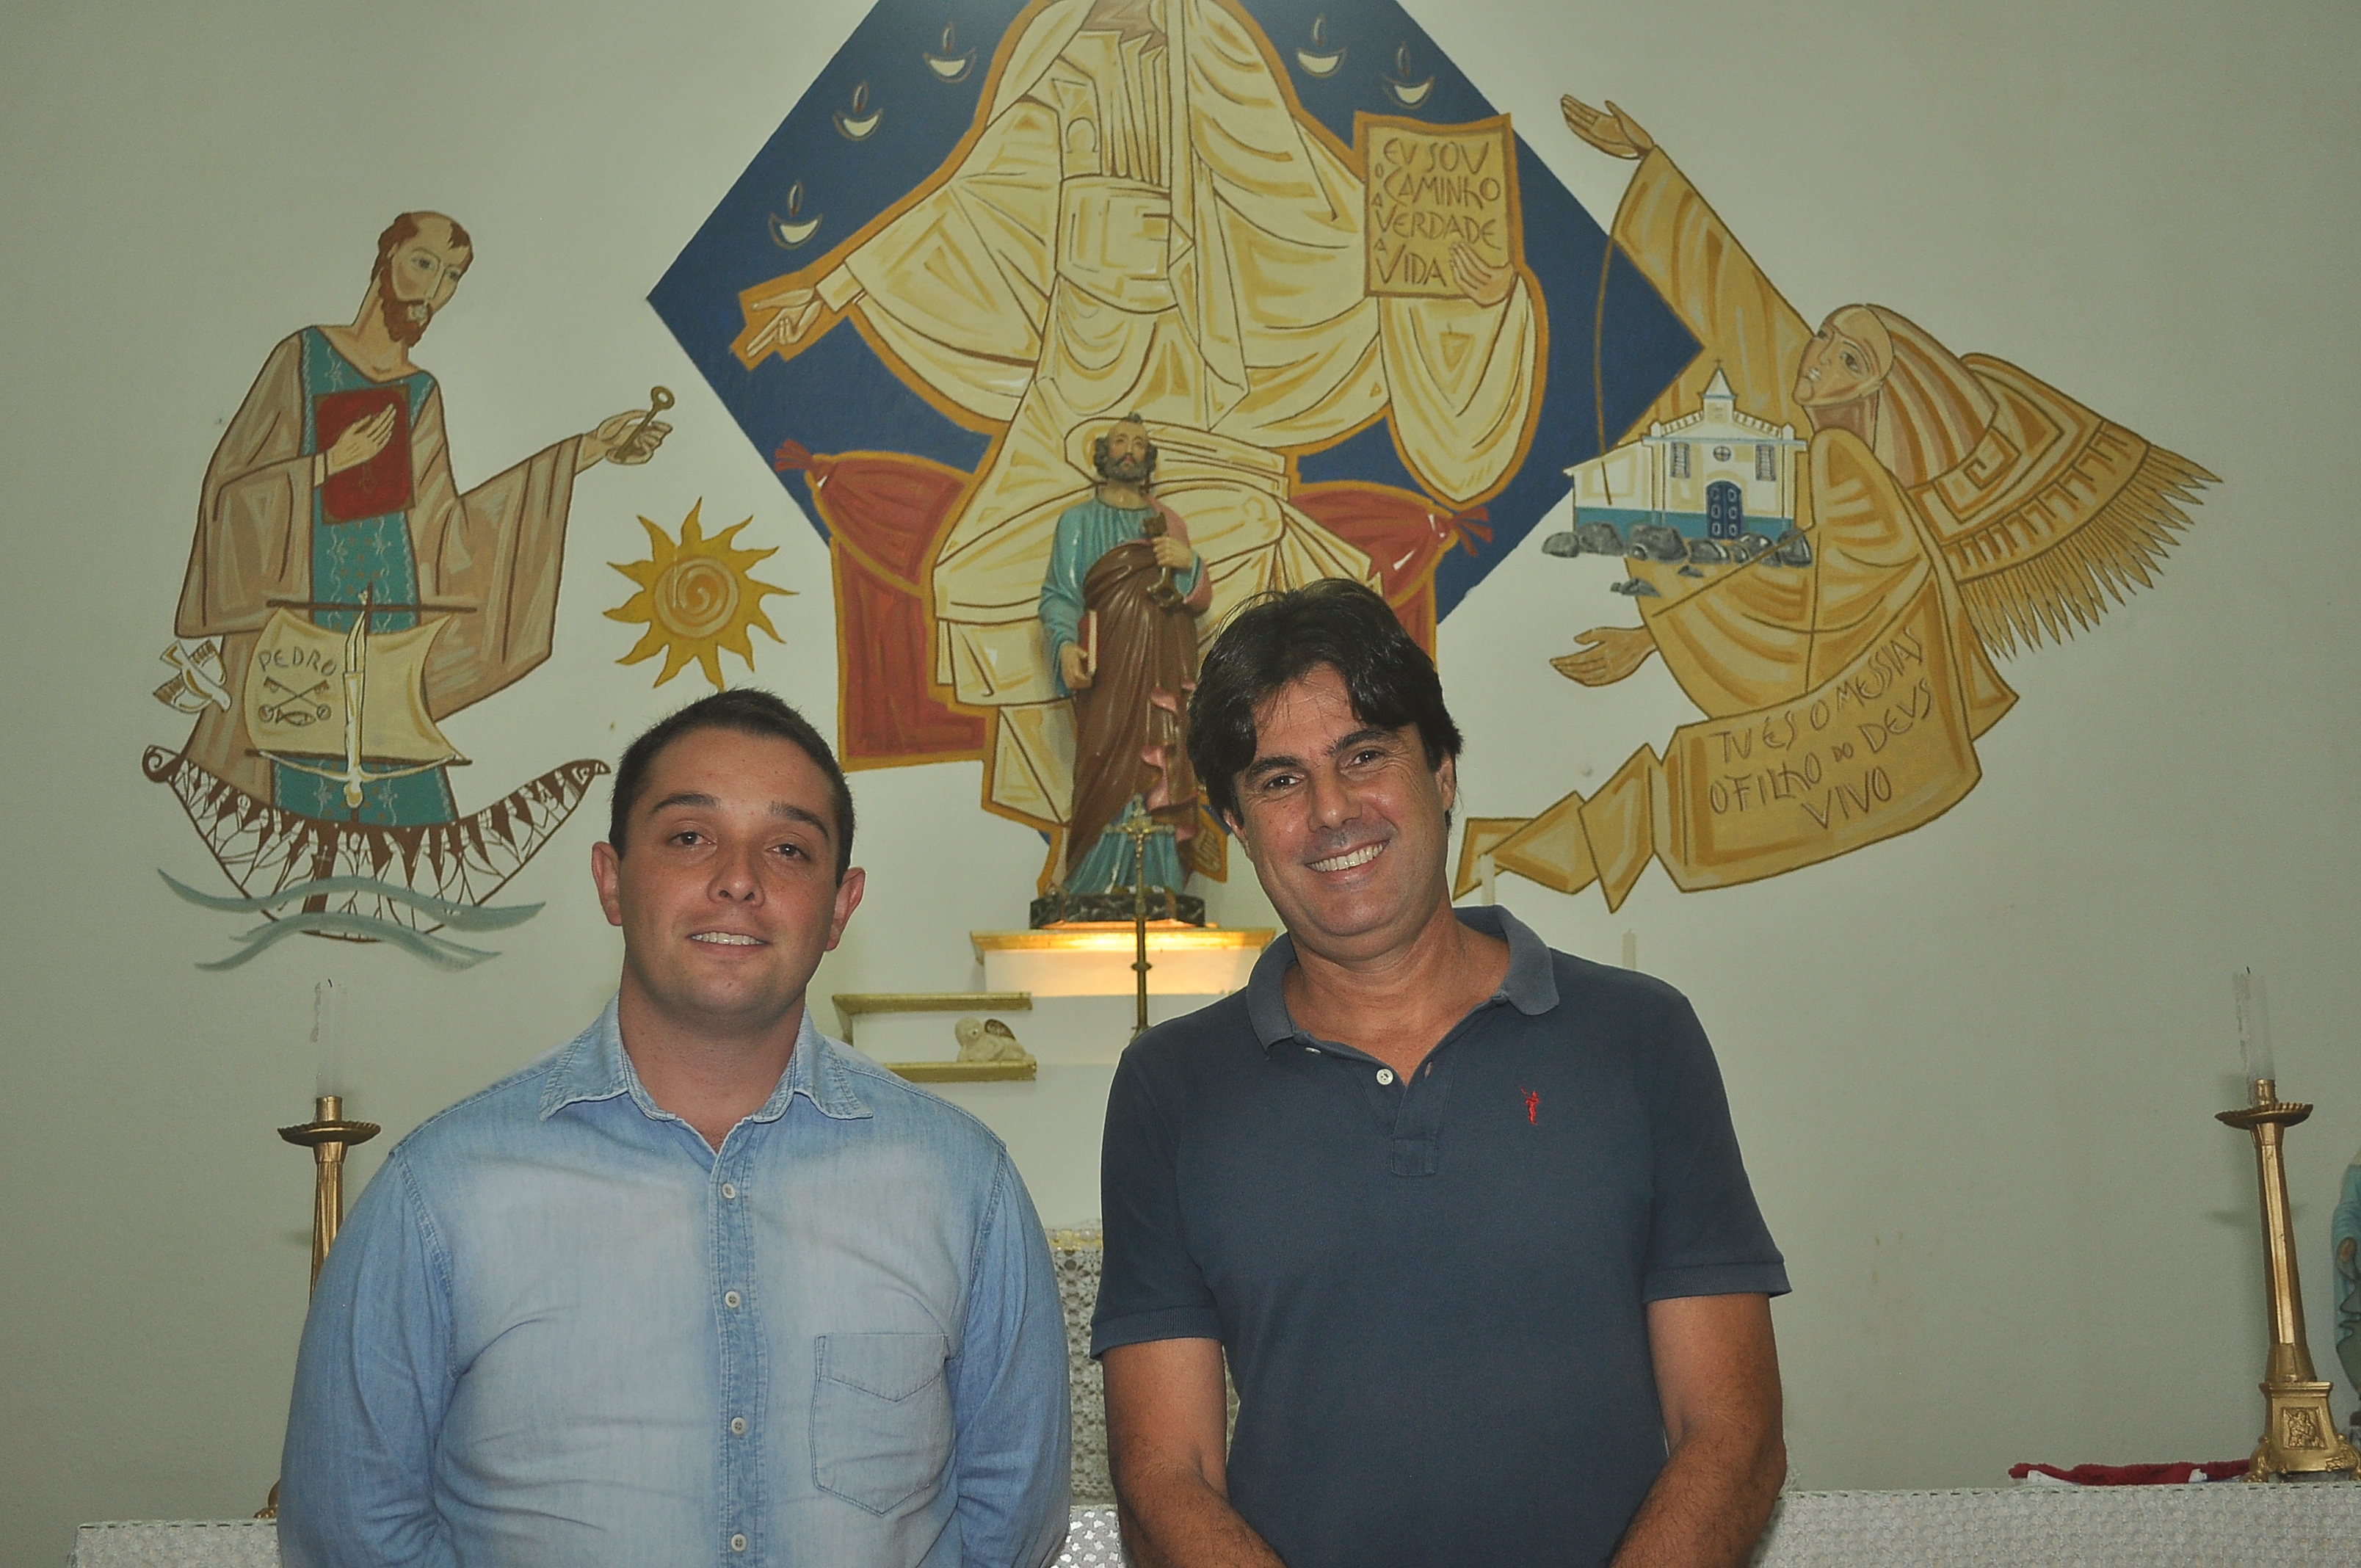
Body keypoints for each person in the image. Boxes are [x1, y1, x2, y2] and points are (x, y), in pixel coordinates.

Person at [278, 689, 1072, 1567]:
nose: (739, 879)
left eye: (788, 848)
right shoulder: (443, 1191)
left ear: (841, 907)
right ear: (611, 880)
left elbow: (1010, 1519)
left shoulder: (960, 1185)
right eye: (690, 837)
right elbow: (353, 1530)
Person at [1092, 579, 1790, 1568]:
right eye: (1280, 781)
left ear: (1444, 770)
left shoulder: (1640, 1039)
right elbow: (1166, 1475)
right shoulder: (1170, 1088)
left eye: (1364, 755)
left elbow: (1734, 1435)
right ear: (1237, 829)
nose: (1332, 811)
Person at [733, 0, 1538, 855]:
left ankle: (1183, 827)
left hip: (1200, 391)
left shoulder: (1216, 53)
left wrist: (1473, 300)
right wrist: (833, 286)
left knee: (1223, 581)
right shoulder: (1057, 55)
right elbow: (970, 201)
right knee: (977, 575)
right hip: (1075, 373)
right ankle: (1089, 848)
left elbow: (1312, 210)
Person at [174, 211, 669, 824]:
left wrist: (588, 450)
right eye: (424, 263)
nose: (434, 289)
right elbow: (227, 497)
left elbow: (446, 533)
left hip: (385, 626)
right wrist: (327, 465)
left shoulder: (420, 392)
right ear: (386, 259)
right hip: (296, 624)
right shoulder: (302, 357)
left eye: (452, 276)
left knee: (386, 812)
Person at [1040, 413, 1211, 904]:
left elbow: (1194, 596)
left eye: (1139, 443)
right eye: (1121, 441)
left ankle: (1159, 882)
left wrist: (1190, 563)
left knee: (1161, 760)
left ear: (1148, 457)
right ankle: (1092, 882)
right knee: (1102, 760)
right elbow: (1061, 595)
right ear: (1105, 453)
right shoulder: (1077, 522)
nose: (1130, 449)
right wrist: (1064, 645)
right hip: (1108, 668)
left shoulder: (1169, 522)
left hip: (1162, 664)